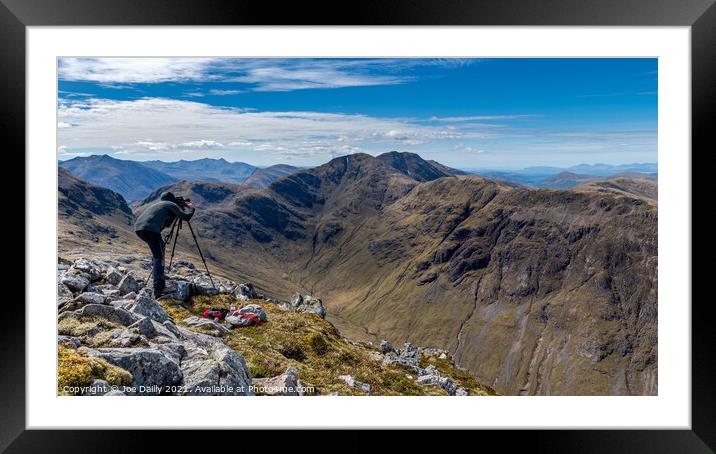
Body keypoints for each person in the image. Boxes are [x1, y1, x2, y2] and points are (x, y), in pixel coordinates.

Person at [134, 192, 195, 297]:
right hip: (151, 230)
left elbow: (166, 224)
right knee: (159, 256)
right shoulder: (170, 204)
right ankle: (159, 289)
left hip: (139, 229)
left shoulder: (158, 205)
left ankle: (159, 277)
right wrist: (190, 208)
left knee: (159, 249)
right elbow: (186, 217)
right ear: (171, 200)